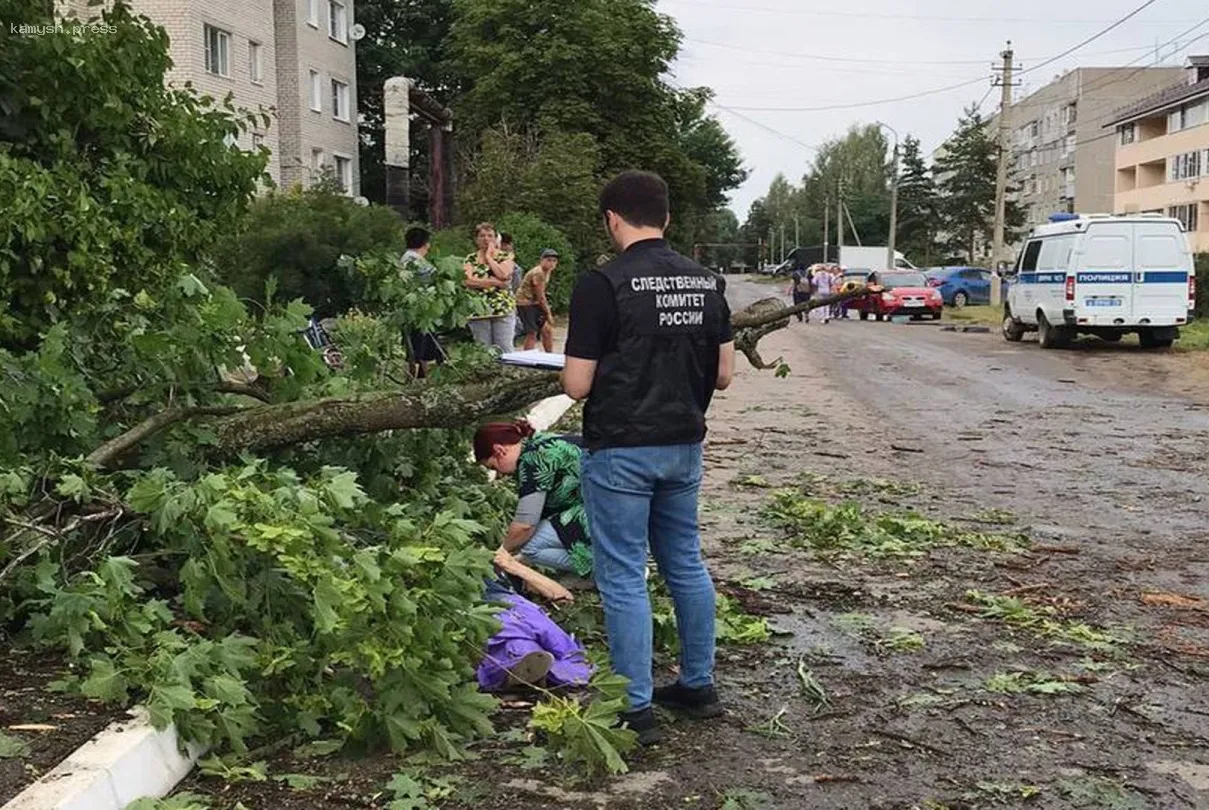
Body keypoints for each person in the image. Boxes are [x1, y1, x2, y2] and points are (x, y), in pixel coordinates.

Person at [563, 170, 735, 745]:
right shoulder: (708, 283)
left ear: (612, 219)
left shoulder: (601, 285)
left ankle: (635, 708)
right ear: (667, 218)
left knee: (623, 575)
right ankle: (697, 684)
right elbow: (726, 375)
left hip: (621, 450)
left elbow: (577, 385)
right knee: (685, 562)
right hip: (684, 444)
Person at [474, 420, 593, 577]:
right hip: (617, 498)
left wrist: (502, 553)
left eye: (493, 467)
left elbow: (525, 525)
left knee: (531, 546)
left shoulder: (532, 462)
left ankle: (605, 571)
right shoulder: (540, 442)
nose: (499, 475)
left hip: (605, 508)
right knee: (545, 532)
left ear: (499, 450)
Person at [400, 226, 446, 379]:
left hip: (414, 311)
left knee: (421, 348)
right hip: (421, 311)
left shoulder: (405, 258)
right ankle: (417, 379)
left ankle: (419, 378)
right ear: (426, 244)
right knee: (420, 348)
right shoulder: (416, 261)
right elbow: (433, 280)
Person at [464, 222, 517, 353]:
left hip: (502, 310)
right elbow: (468, 280)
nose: (486, 239)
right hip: (479, 311)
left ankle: (506, 373)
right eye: (482, 236)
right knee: (483, 350)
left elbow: (504, 274)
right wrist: (496, 283)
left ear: (495, 238)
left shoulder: (505, 256)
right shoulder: (470, 259)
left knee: (504, 348)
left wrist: (489, 258)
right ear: (476, 239)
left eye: (490, 235)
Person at [515, 249, 559, 352]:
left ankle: (549, 355)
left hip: (534, 303)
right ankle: (527, 357)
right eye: (548, 260)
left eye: (554, 261)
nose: (551, 263)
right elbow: (540, 296)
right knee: (532, 332)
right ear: (541, 260)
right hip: (525, 303)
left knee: (547, 330)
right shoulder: (538, 273)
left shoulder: (546, 272)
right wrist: (548, 314)